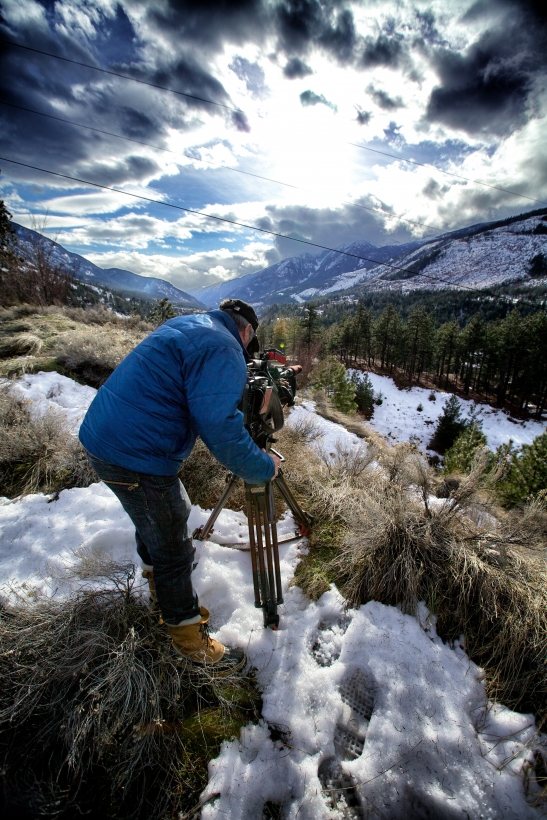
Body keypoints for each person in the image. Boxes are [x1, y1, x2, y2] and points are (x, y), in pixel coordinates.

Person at [79, 299, 281, 675]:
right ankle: (187, 639)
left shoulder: (189, 325)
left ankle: (161, 592)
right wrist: (261, 467)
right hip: (134, 452)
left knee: (160, 514)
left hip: (106, 437)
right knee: (171, 534)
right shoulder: (223, 347)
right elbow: (220, 428)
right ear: (247, 331)